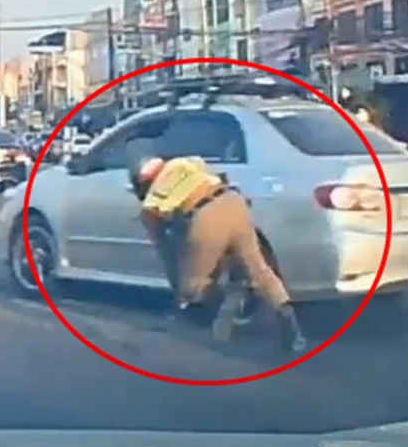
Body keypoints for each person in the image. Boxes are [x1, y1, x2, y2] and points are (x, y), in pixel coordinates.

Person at [128, 145, 308, 353]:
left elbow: (164, 247)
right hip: (234, 202)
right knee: (260, 271)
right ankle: (291, 328)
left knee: (194, 283)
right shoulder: (185, 161)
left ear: (142, 181)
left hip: (206, 215)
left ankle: (199, 335)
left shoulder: (151, 202)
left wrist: (178, 277)